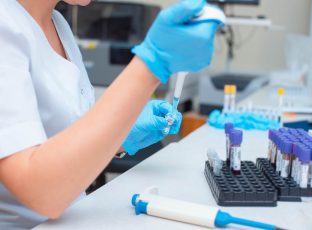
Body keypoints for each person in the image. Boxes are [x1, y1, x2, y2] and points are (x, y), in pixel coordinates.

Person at [0, 0, 218, 229]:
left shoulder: (58, 24)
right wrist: (151, 64)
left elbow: (67, 136)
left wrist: (120, 136)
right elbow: (40, 194)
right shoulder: (5, 25)